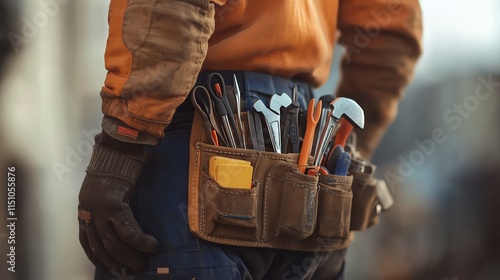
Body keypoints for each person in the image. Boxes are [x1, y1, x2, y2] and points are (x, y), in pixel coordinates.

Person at [77, 0, 422, 279]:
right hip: (304, 135)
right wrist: (342, 153)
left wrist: (124, 141)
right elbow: (392, 31)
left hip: (192, 132)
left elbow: (171, 9)